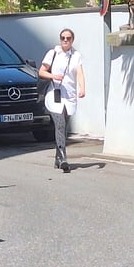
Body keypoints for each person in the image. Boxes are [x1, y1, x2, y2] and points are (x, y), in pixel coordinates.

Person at [38, 28, 86, 173]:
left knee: (63, 128)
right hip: (55, 94)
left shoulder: (76, 55)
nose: (65, 40)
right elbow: (41, 71)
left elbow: (79, 73)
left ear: (72, 40)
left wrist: (82, 88)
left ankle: (58, 158)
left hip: (69, 95)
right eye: (63, 38)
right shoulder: (53, 53)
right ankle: (64, 158)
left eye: (68, 38)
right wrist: (53, 76)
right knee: (60, 124)